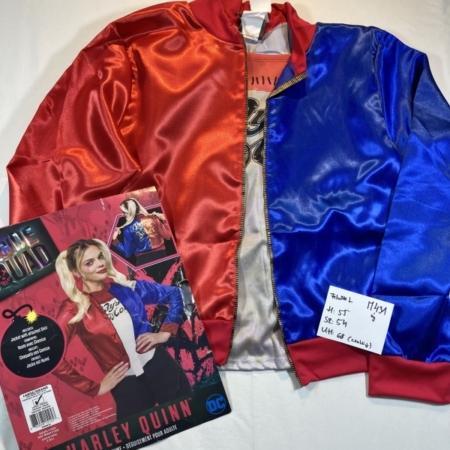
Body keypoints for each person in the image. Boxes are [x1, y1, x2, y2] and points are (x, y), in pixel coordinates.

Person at [53, 238, 191, 420]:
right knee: (137, 432)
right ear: (76, 272)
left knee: (191, 417)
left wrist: (165, 333)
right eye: (89, 262)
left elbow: (174, 293)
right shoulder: (74, 307)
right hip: (126, 384)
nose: (100, 264)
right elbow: (52, 355)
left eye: (100, 257)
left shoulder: (125, 288)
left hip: (160, 366)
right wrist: (94, 388)